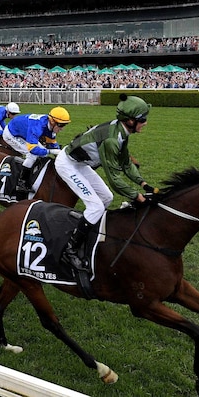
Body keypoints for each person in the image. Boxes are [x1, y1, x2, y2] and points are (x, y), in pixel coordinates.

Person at [55, 94, 156, 272]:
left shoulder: (121, 132)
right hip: (68, 164)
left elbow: (126, 163)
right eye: (143, 119)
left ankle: (88, 232)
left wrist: (144, 184)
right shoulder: (111, 140)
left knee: (106, 198)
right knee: (95, 207)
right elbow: (114, 179)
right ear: (131, 121)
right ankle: (69, 250)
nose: (146, 123)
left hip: (79, 163)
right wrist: (137, 197)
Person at [2, 106, 70, 193]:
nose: (62, 128)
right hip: (12, 134)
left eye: (64, 125)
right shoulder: (37, 127)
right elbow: (33, 149)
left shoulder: (49, 124)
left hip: (23, 131)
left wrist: (61, 153)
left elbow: (52, 143)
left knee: (42, 152)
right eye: (61, 125)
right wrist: (51, 151)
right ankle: (21, 183)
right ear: (52, 121)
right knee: (32, 155)